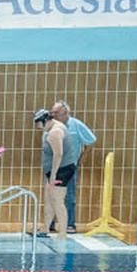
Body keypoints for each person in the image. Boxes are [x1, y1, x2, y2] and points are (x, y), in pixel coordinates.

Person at [51, 101, 95, 232]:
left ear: (65, 113)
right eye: (52, 113)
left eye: (56, 113)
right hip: (54, 166)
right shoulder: (51, 125)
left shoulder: (76, 125)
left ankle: (70, 224)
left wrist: (83, 157)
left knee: (69, 196)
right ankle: (50, 223)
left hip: (69, 166)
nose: (53, 115)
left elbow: (91, 140)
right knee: (52, 195)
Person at [36, 108, 72, 242]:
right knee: (49, 199)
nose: (40, 129)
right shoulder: (53, 128)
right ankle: (45, 228)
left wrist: (53, 176)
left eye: (40, 126)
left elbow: (59, 154)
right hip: (57, 169)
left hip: (61, 170)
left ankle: (62, 233)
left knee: (57, 200)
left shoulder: (55, 132)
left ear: (46, 121)